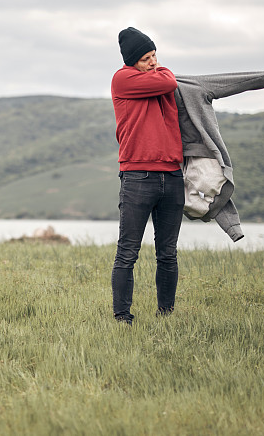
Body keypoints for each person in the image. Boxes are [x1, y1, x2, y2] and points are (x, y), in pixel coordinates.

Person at [110, 27, 184, 324]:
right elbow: (168, 80)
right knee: (128, 252)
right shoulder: (123, 78)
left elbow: (166, 81)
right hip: (138, 176)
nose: (153, 62)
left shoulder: (153, 78)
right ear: (132, 63)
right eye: (145, 58)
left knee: (168, 253)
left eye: (155, 56)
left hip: (172, 176)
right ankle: (122, 317)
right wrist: (162, 71)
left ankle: (166, 315)